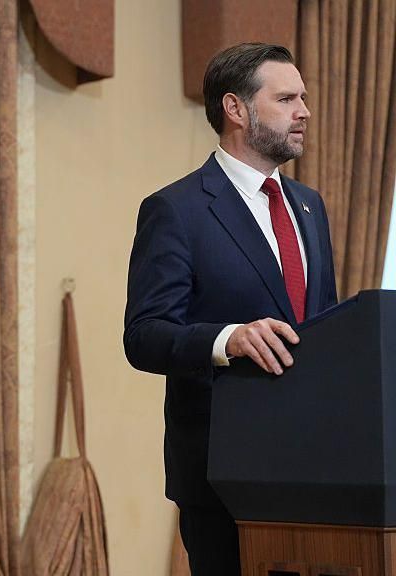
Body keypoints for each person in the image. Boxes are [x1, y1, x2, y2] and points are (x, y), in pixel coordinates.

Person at [123, 43, 338, 575]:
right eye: (286, 99)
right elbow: (144, 334)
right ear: (235, 109)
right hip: (223, 474)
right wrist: (227, 339)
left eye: (303, 98)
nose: (304, 111)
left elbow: (326, 325)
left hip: (317, 469)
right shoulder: (177, 210)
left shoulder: (310, 206)